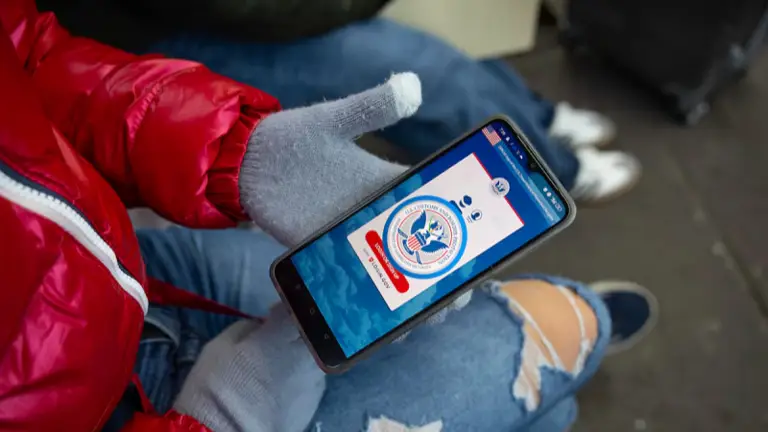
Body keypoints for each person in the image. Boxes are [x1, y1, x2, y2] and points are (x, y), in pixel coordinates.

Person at [0, 2, 657, 431]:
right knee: (565, 320)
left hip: (124, 274)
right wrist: (216, 422)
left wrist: (233, 152)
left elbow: (26, 55)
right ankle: (557, 359)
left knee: (373, 300)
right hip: (127, 409)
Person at [39, 0, 641, 206]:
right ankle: (550, 176)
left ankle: (536, 120)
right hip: (152, 29)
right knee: (423, 73)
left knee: (443, 62)